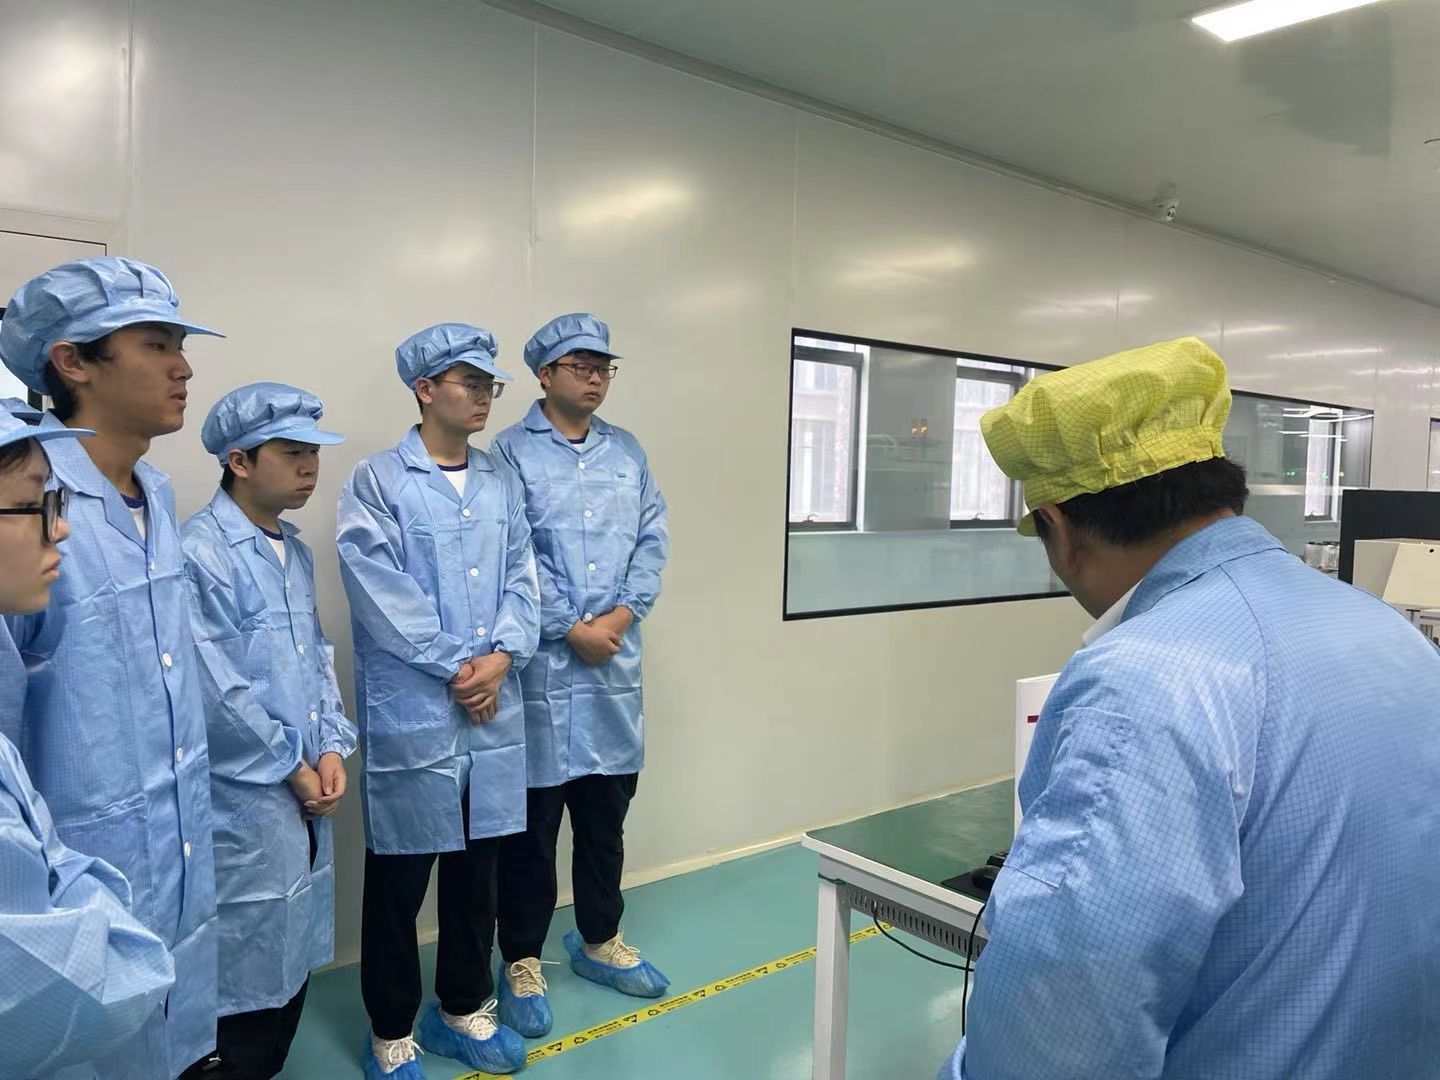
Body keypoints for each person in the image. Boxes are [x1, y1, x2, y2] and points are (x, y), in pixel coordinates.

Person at [940, 337, 1440, 1079]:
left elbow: (1065, 1020)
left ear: (1061, 528)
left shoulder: (1143, 679)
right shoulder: (1388, 631)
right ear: (1219, 488)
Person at [0, 257, 222, 1080]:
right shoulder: (26, 510)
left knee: (177, 1035)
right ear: (72, 361)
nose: (183, 366)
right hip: (77, 869)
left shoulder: (156, 491)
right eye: (156, 344)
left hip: (182, 841)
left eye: (181, 345)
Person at [337, 323, 540, 1078]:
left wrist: (503, 656)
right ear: (425, 389)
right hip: (422, 710)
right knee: (399, 878)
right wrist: (465, 669)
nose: (484, 396)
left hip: (492, 708)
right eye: (469, 382)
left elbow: (524, 577)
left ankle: (461, 1007)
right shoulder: (378, 481)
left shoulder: (500, 481)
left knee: (477, 873)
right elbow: (380, 591)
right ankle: (391, 1029)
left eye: (490, 384)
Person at [492, 313, 670, 1038]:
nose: (595, 378)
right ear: (544, 374)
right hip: (543, 669)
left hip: (613, 668)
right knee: (532, 832)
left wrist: (620, 617)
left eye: (603, 367)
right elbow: (512, 553)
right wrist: (570, 626)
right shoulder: (510, 453)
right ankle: (521, 959)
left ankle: (599, 940)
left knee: (604, 822)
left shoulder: (627, 451)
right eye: (579, 366)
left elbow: (652, 538)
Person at [179, 384, 358, 1079]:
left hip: (303, 790)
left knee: (287, 960)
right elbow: (215, 687)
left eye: (312, 451)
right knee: (240, 975)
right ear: (240, 461)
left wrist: (332, 745)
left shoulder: (293, 551)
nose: (309, 466)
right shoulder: (200, 552)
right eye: (290, 452)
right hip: (245, 798)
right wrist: (292, 765)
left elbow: (314, 657)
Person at [0, 403, 177, 1077]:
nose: (62, 528)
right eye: (31, 505)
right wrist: (94, 897)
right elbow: (77, 986)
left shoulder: (158, 496)